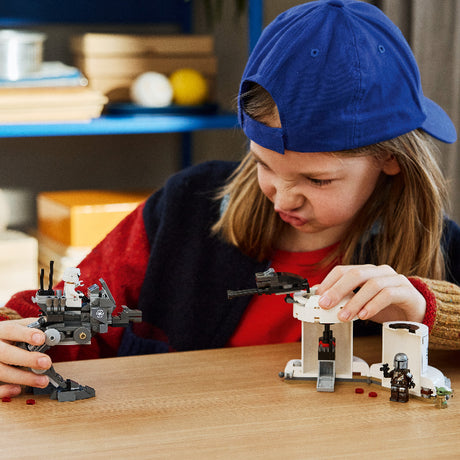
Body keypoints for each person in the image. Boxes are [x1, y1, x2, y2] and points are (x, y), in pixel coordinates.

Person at [0, 0, 459, 400]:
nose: (282, 196)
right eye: (263, 164)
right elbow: (67, 312)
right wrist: (14, 335)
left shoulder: (437, 245)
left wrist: (426, 308)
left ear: (389, 159)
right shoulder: (186, 208)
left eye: (317, 180)